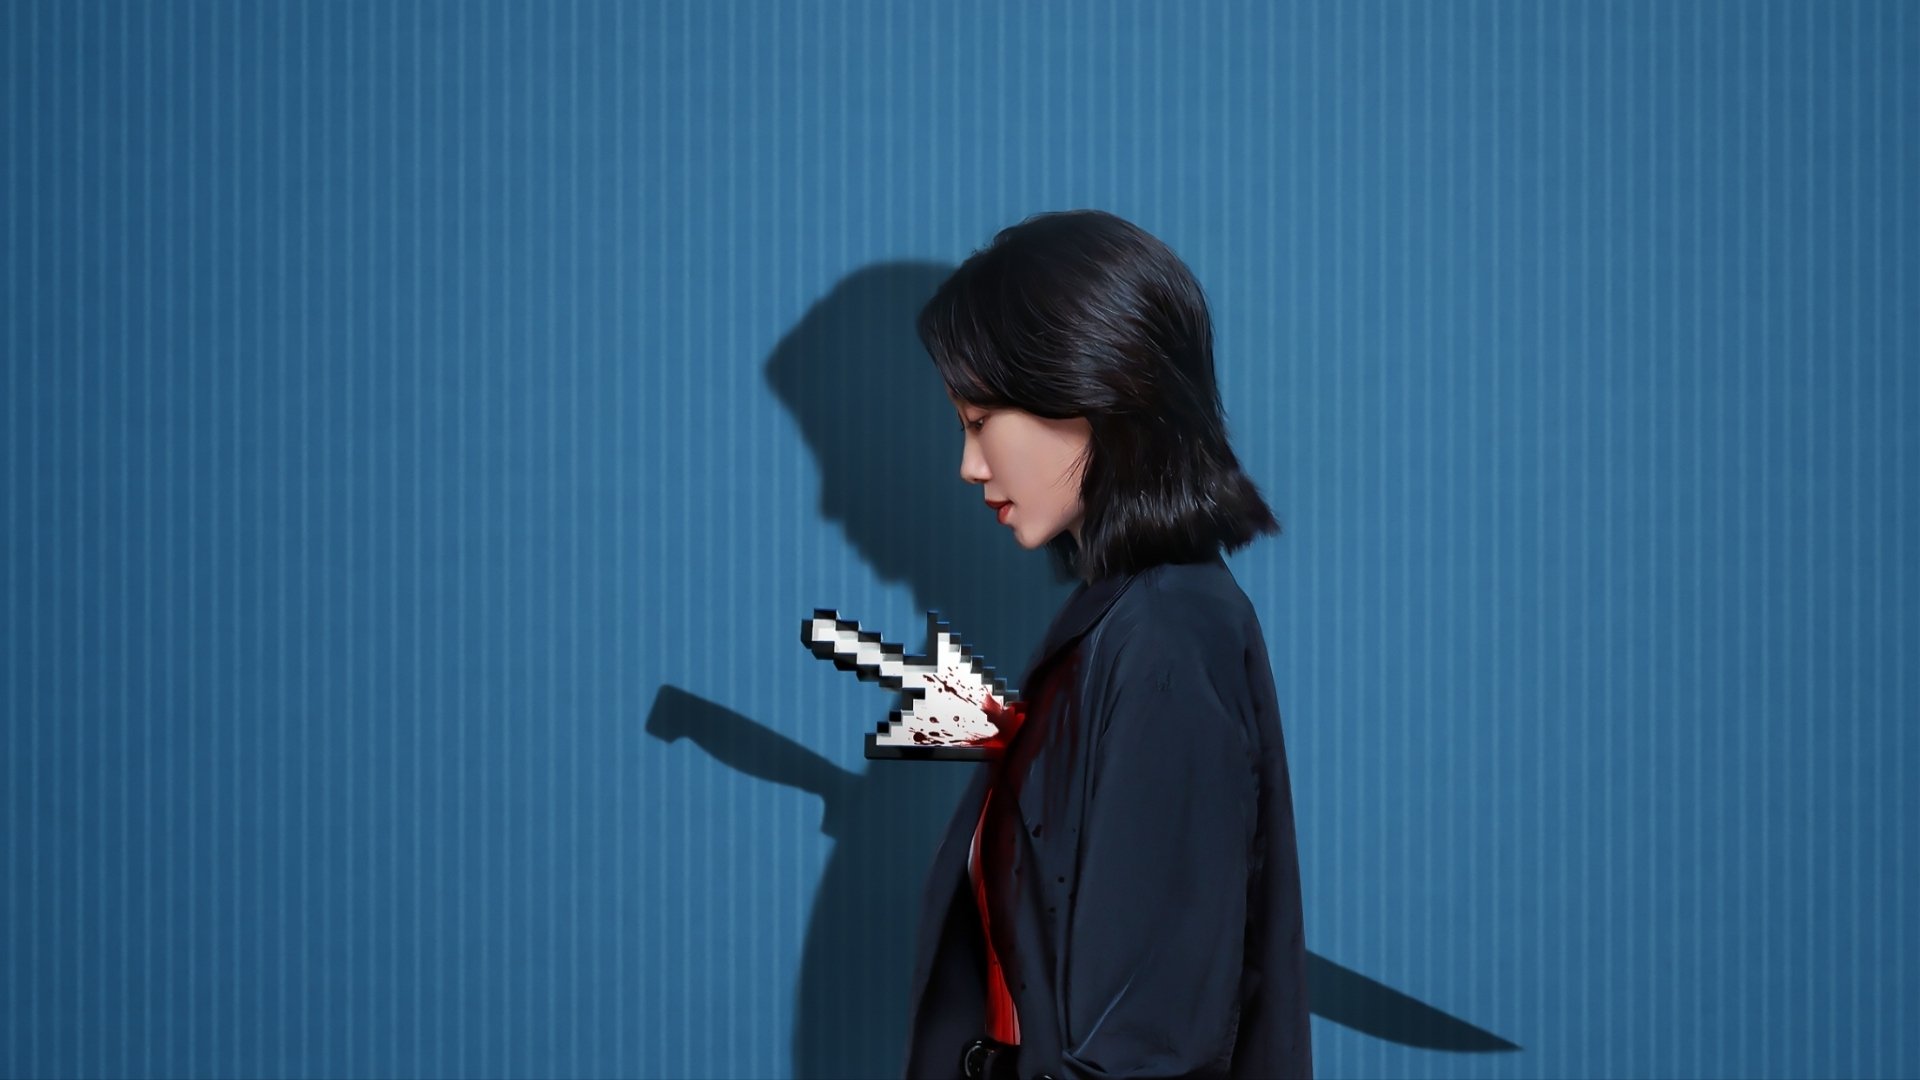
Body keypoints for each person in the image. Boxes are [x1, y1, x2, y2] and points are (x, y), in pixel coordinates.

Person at [899, 210, 1312, 1079]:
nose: (969, 466)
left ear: (1092, 389)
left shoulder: (1166, 634)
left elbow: (1150, 1040)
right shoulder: (1121, 620)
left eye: (981, 420)